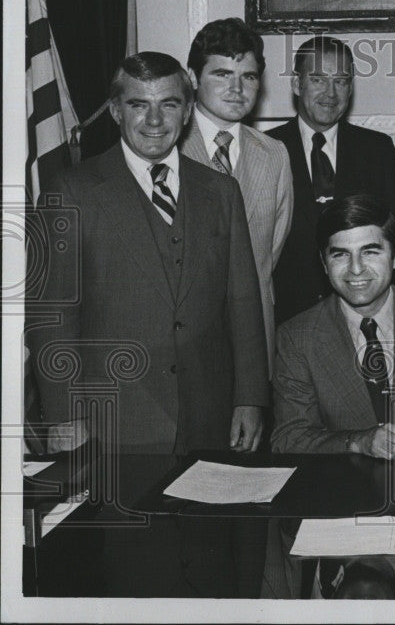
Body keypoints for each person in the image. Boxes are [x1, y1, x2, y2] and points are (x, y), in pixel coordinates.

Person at [28, 52, 269, 596]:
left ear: (187, 113)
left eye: (169, 105)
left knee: (213, 575)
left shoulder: (220, 192)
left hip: (210, 418)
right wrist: (66, 415)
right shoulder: (73, 190)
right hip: (118, 427)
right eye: (139, 105)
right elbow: (51, 317)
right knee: (139, 576)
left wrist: (250, 396)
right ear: (116, 111)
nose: (154, 120)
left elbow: (242, 300)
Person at [270, 194, 395, 598]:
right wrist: (358, 440)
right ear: (323, 262)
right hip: (340, 521)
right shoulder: (297, 337)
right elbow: (288, 438)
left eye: (371, 251)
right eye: (340, 255)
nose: (355, 270)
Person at [267, 36, 395, 325]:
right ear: (297, 85)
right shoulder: (267, 148)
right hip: (288, 319)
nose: (331, 93)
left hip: (367, 317)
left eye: (341, 81)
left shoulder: (377, 148)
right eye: (318, 79)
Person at [179, 17, 293, 372]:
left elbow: (268, 254)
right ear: (194, 78)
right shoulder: (169, 148)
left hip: (253, 346)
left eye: (248, 76)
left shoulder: (274, 154)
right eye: (222, 74)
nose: (237, 88)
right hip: (182, 348)